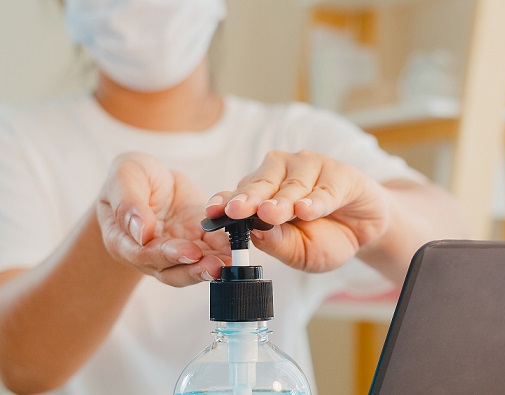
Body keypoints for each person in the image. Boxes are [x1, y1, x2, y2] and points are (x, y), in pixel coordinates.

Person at [0, 0, 469, 394]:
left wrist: (380, 220)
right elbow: (19, 364)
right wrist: (117, 237)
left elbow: (463, 259)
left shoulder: (295, 135)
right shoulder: (18, 142)